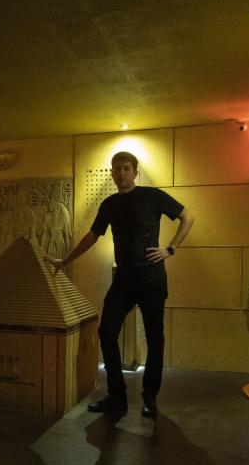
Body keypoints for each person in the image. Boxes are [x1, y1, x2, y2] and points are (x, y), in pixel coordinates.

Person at [49, 151, 194, 418]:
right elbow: (92, 236)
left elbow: (188, 216)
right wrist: (65, 261)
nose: (122, 173)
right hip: (124, 280)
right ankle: (117, 397)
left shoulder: (153, 196)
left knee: (155, 338)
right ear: (112, 173)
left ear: (135, 171)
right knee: (106, 333)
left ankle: (150, 398)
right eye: (117, 169)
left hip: (151, 278)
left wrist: (171, 249)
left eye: (127, 168)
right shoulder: (110, 204)